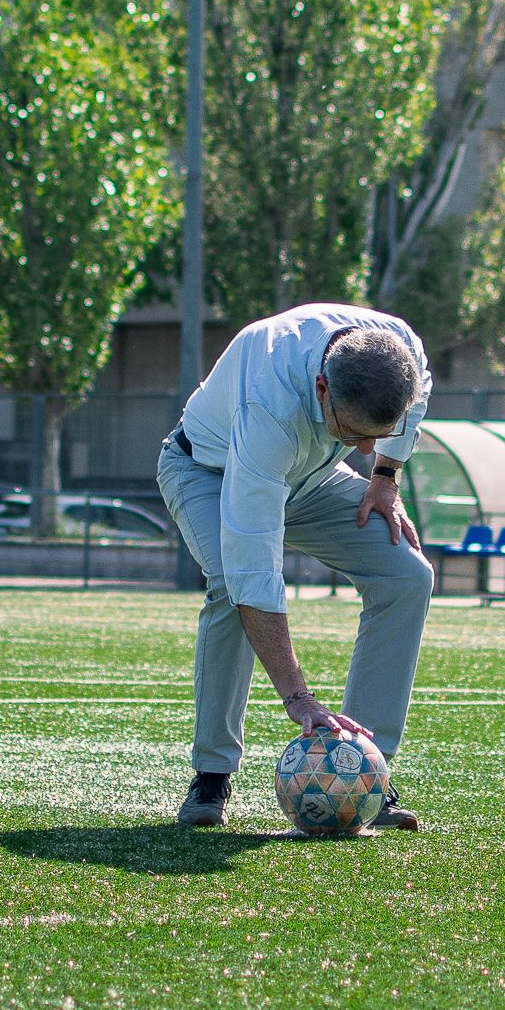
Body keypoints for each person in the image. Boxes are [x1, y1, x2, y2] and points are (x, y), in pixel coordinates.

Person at [158, 304, 437, 830]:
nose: (364, 446)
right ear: (322, 388)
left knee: (408, 575)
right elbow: (254, 572)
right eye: (354, 431)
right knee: (228, 587)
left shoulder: (402, 349)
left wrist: (384, 477)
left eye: (380, 432)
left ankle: (364, 773)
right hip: (207, 471)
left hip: (310, 478)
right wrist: (298, 697)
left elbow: (415, 406)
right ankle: (212, 774)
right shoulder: (269, 403)